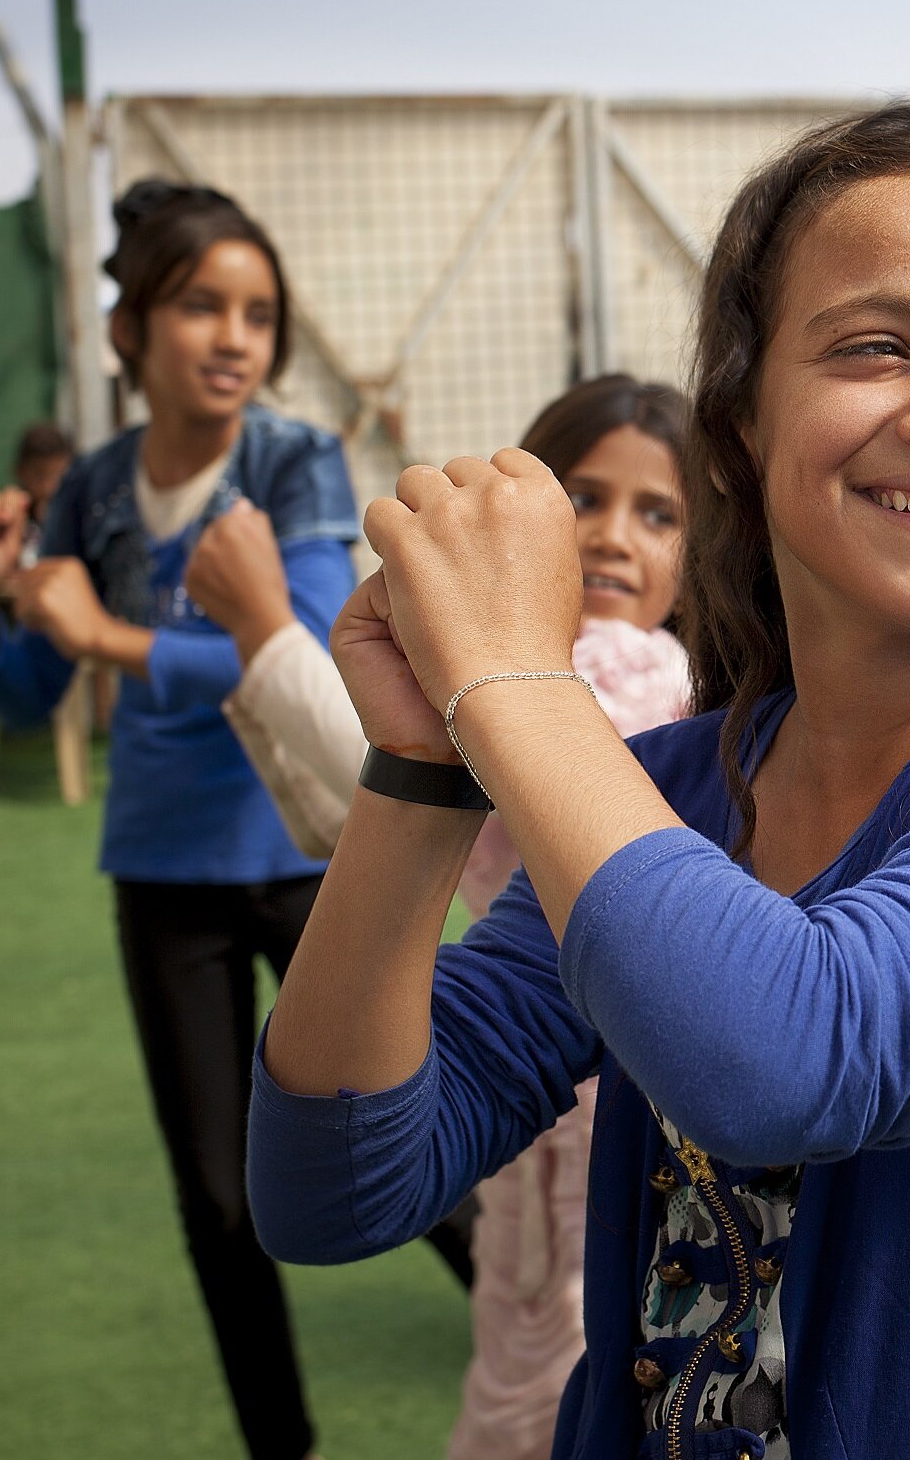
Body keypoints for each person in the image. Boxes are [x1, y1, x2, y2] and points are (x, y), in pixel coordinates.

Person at [245, 104, 910, 1459]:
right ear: (735, 423)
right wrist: (426, 760)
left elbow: (795, 1052)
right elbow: (338, 1182)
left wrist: (510, 681)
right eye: (874, 344)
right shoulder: (668, 786)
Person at [0, 180, 467, 1460]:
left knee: (416, 1139)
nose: (234, 335)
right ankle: (277, 1441)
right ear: (129, 331)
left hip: (310, 856)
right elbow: (33, 680)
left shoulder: (289, 460)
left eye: (258, 312)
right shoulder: (93, 490)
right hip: (162, 872)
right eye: (198, 305)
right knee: (219, 1204)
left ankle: (540, 1343)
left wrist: (114, 634)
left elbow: (312, 644)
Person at [188, 374, 693, 1460]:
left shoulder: (628, 677)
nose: (613, 536)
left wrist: (267, 628)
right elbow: (387, 782)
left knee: (565, 1370)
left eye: (658, 513)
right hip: (533, 1111)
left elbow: (409, 759)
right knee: (526, 1349)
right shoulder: (560, 677)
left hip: (603, 1117)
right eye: (583, 502)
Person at [12, 419, 74, 564]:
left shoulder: (75, 518)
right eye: (40, 475)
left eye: (58, 476)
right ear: (21, 471)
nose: (49, 487)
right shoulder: (10, 521)